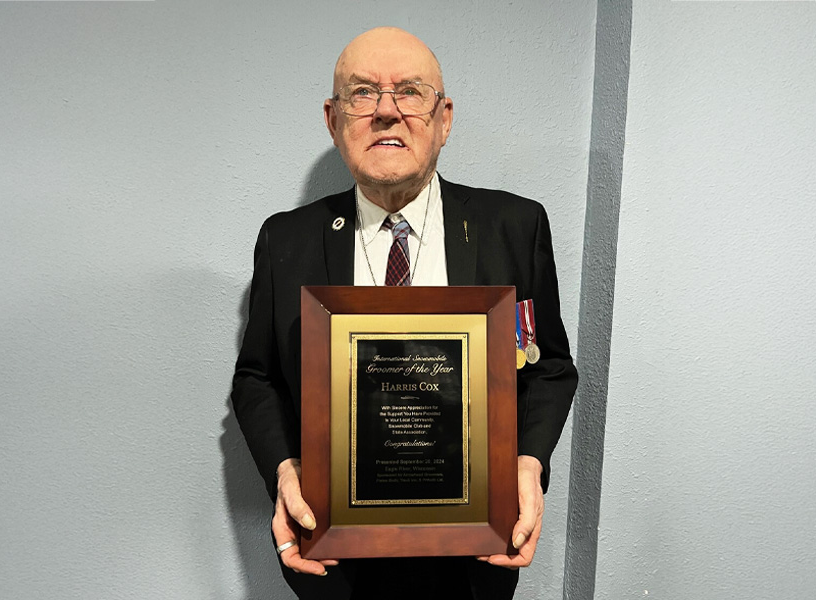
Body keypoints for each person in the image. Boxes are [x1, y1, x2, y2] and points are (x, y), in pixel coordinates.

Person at [231, 27, 578, 600]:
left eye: (410, 93)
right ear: (332, 118)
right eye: (362, 93)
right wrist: (286, 473)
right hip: (334, 555)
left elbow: (547, 366)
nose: (387, 113)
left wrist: (528, 465)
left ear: (444, 118)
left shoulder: (513, 227)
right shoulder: (285, 239)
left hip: (473, 556)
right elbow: (256, 378)